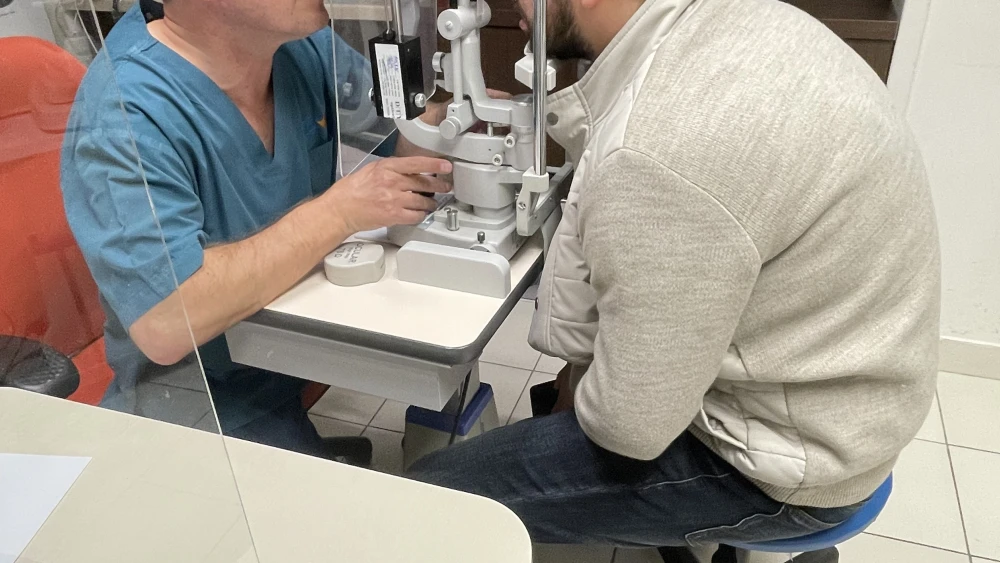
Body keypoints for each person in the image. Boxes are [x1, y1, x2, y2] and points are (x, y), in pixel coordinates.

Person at [407, 0, 941, 556]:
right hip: (847, 399)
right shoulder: (740, 24)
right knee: (556, 401)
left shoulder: (663, 144)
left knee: (438, 491)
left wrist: (583, 389)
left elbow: (628, 430)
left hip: (793, 468)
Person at [60, 0, 455, 462]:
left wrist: (456, 120)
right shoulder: (127, 112)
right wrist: (339, 212)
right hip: (199, 401)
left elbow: (398, 135)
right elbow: (166, 321)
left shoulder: (301, 44)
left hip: (292, 351)